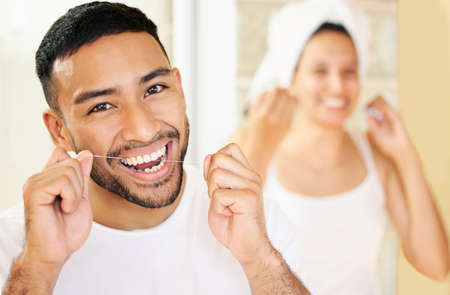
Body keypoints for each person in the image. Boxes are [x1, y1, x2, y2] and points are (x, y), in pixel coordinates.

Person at [0, 2, 310, 294]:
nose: (144, 129)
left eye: (155, 89)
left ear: (179, 88)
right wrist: (39, 269)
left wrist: (260, 260)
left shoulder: (256, 223)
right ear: (59, 130)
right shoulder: (15, 250)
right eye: (103, 106)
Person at [233, 0, 449, 294]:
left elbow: (435, 265)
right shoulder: (255, 146)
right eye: (320, 71)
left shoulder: (375, 155)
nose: (337, 86)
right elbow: (217, 257)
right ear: (291, 78)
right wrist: (259, 137)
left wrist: (405, 154)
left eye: (349, 71)